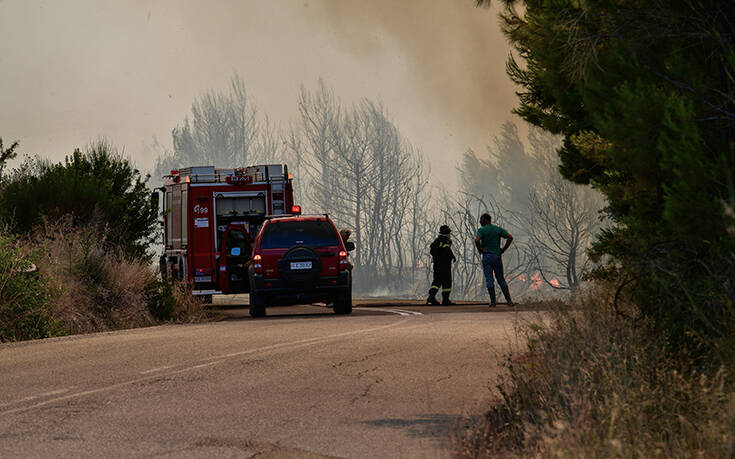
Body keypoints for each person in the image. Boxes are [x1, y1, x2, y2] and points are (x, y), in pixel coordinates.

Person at [475, 213, 514, 307]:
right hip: (497, 256)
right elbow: (510, 237)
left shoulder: (481, 230)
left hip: (487, 256)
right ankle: (509, 301)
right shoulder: (498, 229)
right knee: (500, 278)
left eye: (481, 219)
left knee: (489, 279)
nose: (480, 221)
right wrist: (503, 249)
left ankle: (493, 302)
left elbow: (477, 240)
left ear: (486, 220)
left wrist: (480, 249)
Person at [427, 225, 456, 305]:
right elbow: (447, 250)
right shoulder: (445, 241)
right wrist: (452, 256)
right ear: (447, 233)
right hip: (445, 266)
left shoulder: (437, 240)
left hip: (437, 265)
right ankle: (445, 300)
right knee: (447, 282)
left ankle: (431, 297)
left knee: (437, 281)